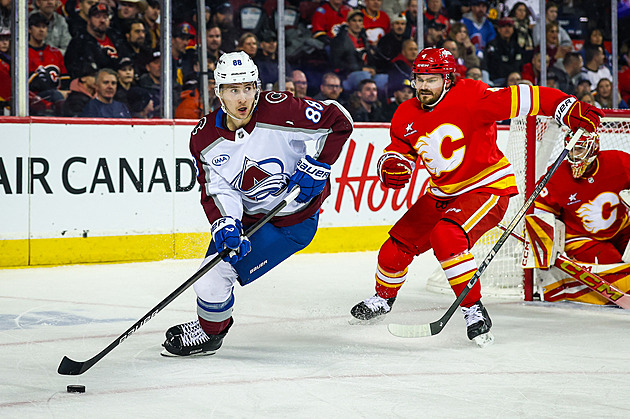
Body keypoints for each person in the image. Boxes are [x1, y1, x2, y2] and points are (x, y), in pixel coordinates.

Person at [349, 47, 603, 345]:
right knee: (395, 247)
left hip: (487, 187)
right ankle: (383, 298)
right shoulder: (406, 113)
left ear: (447, 78)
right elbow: (399, 150)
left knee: (447, 236)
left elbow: (530, 97)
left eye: (432, 79)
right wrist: (391, 165)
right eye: (419, 79)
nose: (423, 86)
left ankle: (473, 309)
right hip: (444, 191)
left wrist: (571, 109)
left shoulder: (473, 96)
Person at [161, 51, 353, 357]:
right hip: (249, 218)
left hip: (292, 222)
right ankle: (213, 326)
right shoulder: (204, 137)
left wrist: (320, 165)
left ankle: (210, 335)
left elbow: (339, 121)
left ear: (257, 87)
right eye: (233, 90)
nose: (243, 98)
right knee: (208, 284)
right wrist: (225, 221)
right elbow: (217, 188)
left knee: (215, 276)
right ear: (218, 91)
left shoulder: (281, 109)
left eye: (248, 88)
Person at [533, 134, 630, 304]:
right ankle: (560, 288)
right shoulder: (556, 175)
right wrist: (546, 242)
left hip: (622, 228)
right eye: (571, 149)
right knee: (614, 269)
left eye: (579, 149)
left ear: (594, 148)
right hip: (581, 238)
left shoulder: (619, 161)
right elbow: (540, 209)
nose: (574, 155)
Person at [64, 3, 120, 79]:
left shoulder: (116, 39)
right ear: (89, 20)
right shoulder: (79, 43)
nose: (102, 20)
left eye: (105, 17)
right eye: (97, 16)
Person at [484, 17, 526, 86]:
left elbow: (519, 63)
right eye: (503, 26)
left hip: (514, 78)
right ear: (499, 29)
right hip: (498, 80)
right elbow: (495, 65)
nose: (507, 29)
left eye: (509, 26)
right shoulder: (493, 45)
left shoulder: (516, 45)